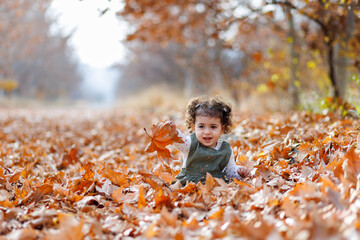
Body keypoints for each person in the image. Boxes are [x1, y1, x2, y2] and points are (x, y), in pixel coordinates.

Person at [167, 96, 251, 185]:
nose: (207, 132)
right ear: (193, 127)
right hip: (190, 184)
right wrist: (174, 134)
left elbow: (230, 171)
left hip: (215, 185)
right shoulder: (191, 143)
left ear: (222, 129)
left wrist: (239, 172)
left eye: (213, 127)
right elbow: (181, 143)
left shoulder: (225, 149)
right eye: (201, 126)